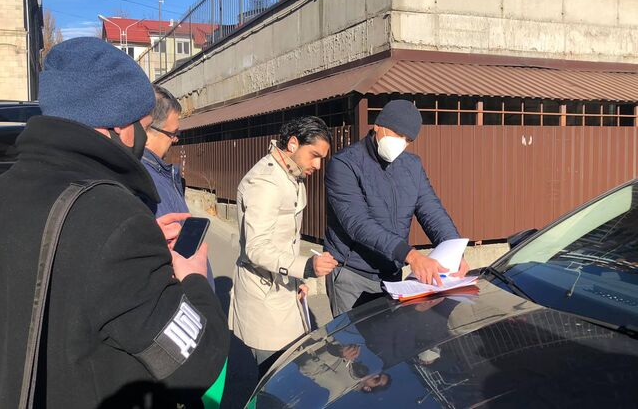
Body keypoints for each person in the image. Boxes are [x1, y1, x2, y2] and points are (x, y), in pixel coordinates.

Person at [0, 37, 228, 408]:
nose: (142, 138)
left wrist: (140, 250)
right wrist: (194, 276)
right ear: (120, 125)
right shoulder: (113, 216)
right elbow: (197, 363)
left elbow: (63, 278)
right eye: (142, 125)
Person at [324, 100, 469, 317]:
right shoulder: (345, 164)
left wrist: (455, 251)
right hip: (353, 273)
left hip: (392, 273)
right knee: (353, 337)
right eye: (397, 134)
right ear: (378, 126)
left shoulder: (412, 165)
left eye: (407, 139)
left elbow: (432, 211)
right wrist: (410, 255)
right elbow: (357, 223)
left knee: (391, 335)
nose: (401, 142)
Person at [229, 116, 338, 374]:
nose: (318, 165)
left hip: (283, 288)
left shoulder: (291, 176)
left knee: (290, 369)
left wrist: (296, 279)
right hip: (264, 297)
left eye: (321, 158)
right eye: (314, 155)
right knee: (275, 376)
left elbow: (284, 240)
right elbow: (257, 248)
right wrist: (306, 267)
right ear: (292, 144)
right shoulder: (266, 182)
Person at [141, 85, 214, 290]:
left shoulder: (161, 173)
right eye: (172, 133)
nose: (175, 139)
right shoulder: (144, 181)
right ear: (147, 129)